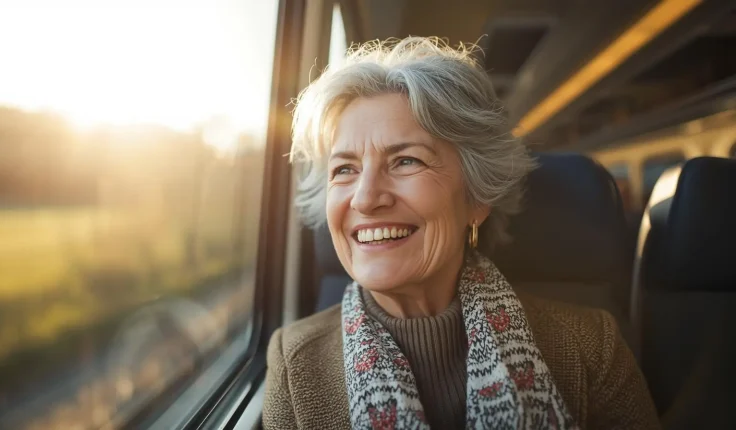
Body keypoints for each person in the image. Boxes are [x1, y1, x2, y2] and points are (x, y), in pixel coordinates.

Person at [263, 37, 659, 429]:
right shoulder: (294, 363)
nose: (366, 199)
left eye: (405, 161)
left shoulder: (592, 348)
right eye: (344, 169)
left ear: (476, 198)